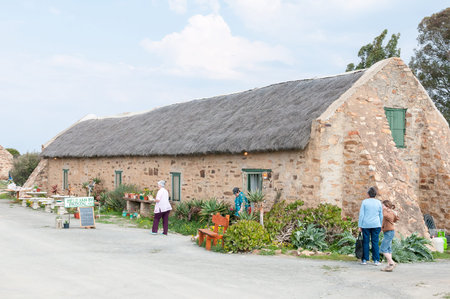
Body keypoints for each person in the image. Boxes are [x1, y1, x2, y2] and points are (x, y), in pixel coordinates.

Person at [358, 187, 383, 265]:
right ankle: (376, 260)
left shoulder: (364, 202)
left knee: (366, 242)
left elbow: (362, 215)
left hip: (366, 224)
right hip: (376, 224)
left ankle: (365, 259)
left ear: (368, 194)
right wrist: (381, 224)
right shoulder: (379, 202)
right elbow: (381, 215)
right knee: (375, 242)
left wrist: (360, 225)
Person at [380, 200, 399, 272]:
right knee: (388, 249)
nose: (382, 207)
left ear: (387, 206)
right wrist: (382, 228)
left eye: (383, 206)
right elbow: (385, 221)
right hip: (388, 232)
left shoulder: (389, 213)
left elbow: (386, 216)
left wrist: (385, 210)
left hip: (389, 232)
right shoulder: (389, 212)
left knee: (383, 248)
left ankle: (392, 263)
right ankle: (389, 266)